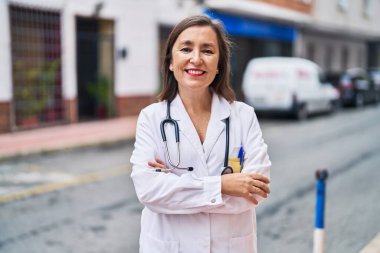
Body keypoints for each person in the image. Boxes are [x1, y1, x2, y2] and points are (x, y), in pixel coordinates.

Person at [130, 14, 271, 253]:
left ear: (219, 65)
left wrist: (176, 188)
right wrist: (223, 185)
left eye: (207, 51)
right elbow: (149, 191)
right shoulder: (151, 118)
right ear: (171, 62)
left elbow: (254, 193)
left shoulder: (244, 117)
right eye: (186, 49)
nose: (196, 59)